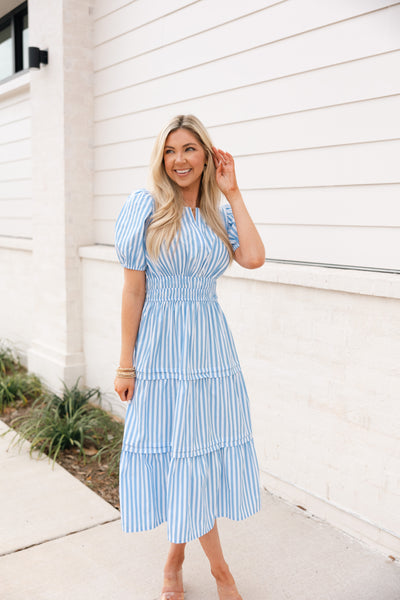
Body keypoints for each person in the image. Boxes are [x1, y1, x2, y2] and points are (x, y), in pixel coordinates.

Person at [114, 114, 265, 600]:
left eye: (189, 150)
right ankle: (222, 575)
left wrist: (234, 192)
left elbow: (254, 257)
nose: (178, 160)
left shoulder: (218, 215)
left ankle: (175, 560)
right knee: (181, 457)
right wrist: (125, 361)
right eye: (170, 151)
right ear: (162, 158)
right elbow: (133, 290)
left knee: (195, 458)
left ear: (206, 155)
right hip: (161, 351)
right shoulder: (145, 207)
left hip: (210, 350)